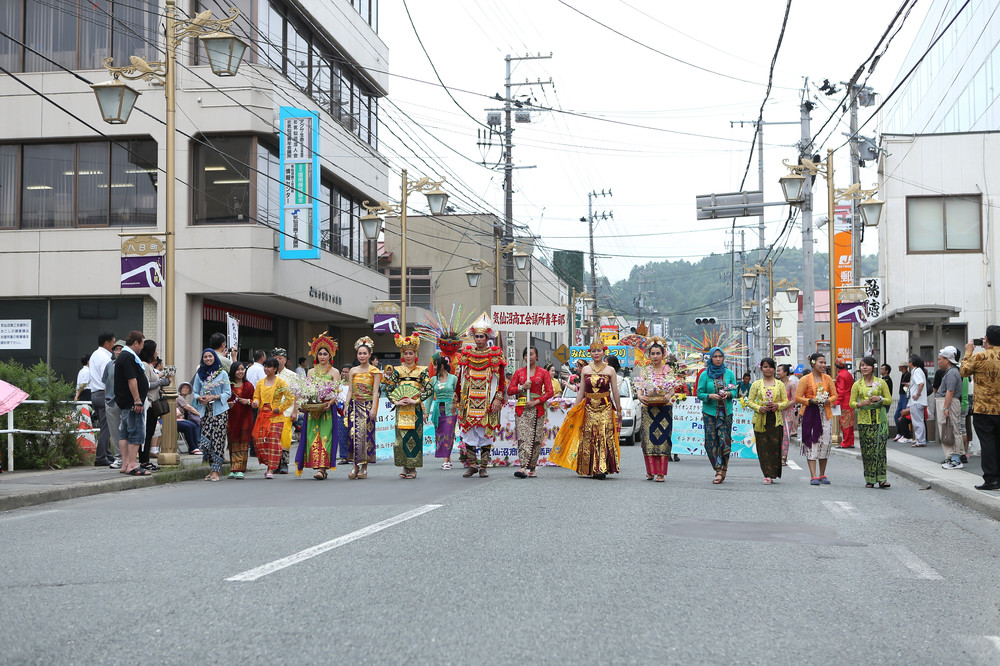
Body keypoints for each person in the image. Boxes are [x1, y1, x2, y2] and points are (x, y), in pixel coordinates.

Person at [551, 341, 621, 479]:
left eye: (599, 350)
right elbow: (581, 391)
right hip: (588, 406)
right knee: (589, 435)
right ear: (590, 353)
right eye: (594, 351)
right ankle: (588, 467)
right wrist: (575, 409)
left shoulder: (610, 370)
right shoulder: (586, 370)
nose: (596, 353)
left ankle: (602, 468)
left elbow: (615, 391)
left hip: (605, 406)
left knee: (604, 434)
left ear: (604, 352)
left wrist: (619, 409)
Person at [455, 314, 507, 478]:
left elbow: (501, 379)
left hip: (487, 400)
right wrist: (457, 398)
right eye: (476, 336)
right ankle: (472, 465)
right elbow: (460, 379)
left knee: (485, 433)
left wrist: (498, 398)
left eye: (481, 336)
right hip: (469, 401)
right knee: (468, 433)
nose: (478, 339)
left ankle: (483, 466)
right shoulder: (466, 354)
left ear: (487, 337)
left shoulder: (495, 355)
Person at [381, 334, 433, 480]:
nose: (408, 355)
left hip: (415, 409)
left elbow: (429, 389)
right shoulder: (397, 370)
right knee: (401, 438)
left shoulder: (422, 370)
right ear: (402, 354)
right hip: (401, 409)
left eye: (411, 353)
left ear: (415, 354)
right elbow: (388, 389)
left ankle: (413, 467)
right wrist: (396, 402)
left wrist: (415, 401)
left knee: (414, 437)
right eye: (405, 353)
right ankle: (404, 465)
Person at [295, 333, 341, 480]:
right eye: (320, 354)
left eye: (325, 354)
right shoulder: (311, 372)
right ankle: (318, 466)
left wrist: (331, 402)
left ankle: (322, 468)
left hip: (327, 410)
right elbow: (307, 390)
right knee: (312, 437)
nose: (322, 356)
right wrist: (305, 402)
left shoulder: (334, 372)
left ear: (330, 355)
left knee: (325, 438)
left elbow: (336, 391)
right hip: (313, 410)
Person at [961, 328, 1000, 490]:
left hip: (983, 410)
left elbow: (963, 371)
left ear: (987, 339)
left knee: (988, 443)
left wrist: (968, 351)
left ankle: (991, 479)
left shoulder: (979, 356)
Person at [507, 346, 554, 479]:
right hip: (522, 409)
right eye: (526, 354)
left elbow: (550, 392)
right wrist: (522, 387)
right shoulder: (518, 373)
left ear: (537, 357)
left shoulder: (544, 372)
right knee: (523, 437)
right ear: (524, 357)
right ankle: (523, 467)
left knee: (536, 439)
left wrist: (536, 402)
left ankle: (532, 467)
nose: (529, 357)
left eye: (532, 354)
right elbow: (510, 390)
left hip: (538, 408)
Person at [850, 355, 892, 489]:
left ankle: (882, 479)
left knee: (880, 449)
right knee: (868, 450)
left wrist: (879, 398)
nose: (864, 367)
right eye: (862, 365)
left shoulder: (881, 382)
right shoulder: (857, 384)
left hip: (880, 419)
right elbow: (851, 403)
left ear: (873, 367)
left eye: (867, 365)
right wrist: (860, 404)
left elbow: (889, 399)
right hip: (864, 420)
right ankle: (869, 479)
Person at [795, 352, 838, 485]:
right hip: (809, 413)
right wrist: (811, 401)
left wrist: (828, 400)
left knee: (825, 442)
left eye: (825, 363)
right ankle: (813, 475)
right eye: (821, 362)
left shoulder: (828, 379)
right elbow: (797, 397)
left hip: (825, 414)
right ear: (813, 363)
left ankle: (822, 474)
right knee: (812, 443)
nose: (824, 365)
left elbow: (835, 395)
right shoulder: (805, 379)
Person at [697, 347, 737, 484]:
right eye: (715, 356)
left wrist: (728, 394)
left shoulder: (729, 373)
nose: (718, 359)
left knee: (724, 441)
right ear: (711, 358)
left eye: (720, 356)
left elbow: (734, 390)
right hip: (710, 413)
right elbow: (699, 393)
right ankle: (717, 468)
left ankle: (722, 470)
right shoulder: (704, 375)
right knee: (711, 442)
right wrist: (710, 396)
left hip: (726, 413)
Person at [636, 338, 674, 482]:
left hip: (664, 409)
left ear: (663, 354)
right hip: (648, 408)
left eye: (658, 353)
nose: (656, 356)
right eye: (653, 353)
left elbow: (672, 389)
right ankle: (650, 471)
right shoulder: (644, 370)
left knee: (663, 440)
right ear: (649, 355)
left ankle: (661, 473)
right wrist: (640, 396)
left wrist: (668, 395)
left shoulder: (668, 370)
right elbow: (640, 388)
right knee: (648, 439)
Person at [113, 331, 150, 476]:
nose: (142, 347)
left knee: (125, 433)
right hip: (132, 402)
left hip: (124, 402)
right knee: (136, 432)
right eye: (141, 344)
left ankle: (125, 463)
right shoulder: (128, 357)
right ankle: (133, 465)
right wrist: (137, 400)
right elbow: (132, 379)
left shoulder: (123, 356)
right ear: (136, 343)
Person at [747, 357, 788, 484]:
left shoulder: (780, 384)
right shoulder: (756, 384)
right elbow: (749, 401)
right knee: (763, 447)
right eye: (765, 366)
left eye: (770, 367)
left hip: (776, 419)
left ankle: (774, 473)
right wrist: (760, 408)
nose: (768, 369)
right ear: (761, 369)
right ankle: (767, 474)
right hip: (760, 419)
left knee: (775, 446)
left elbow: (785, 401)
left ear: (774, 369)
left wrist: (778, 406)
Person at [192, 348, 231, 482]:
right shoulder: (199, 374)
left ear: (215, 357)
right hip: (205, 412)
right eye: (205, 357)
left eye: (210, 356)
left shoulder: (222, 373)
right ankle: (211, 469)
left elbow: (228, 392)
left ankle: (216, 471)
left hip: (219, 411)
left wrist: (214, 396)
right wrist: (199, 398)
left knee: (218, 441)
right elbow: (195, 392)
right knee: (206, 442)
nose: (208, 359)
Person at [251, 358, 293, 479]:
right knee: (258, 440)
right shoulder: (260, 383)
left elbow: (290, 397)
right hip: (263, 416)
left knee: (273, 441)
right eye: (265, 366)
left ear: (275, 369)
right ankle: (267, 464)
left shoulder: (280, 382)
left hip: (276, 417)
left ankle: (271, 468)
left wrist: (279, 408)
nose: (266, 369)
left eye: (269, 367)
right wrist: (255, 402)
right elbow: (256, 396)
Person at [344, 337, 380, 479]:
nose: (362, 356)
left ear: (370, 355)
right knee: (353, 436)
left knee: (366, 437)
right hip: (354, 406)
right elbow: (350, 391)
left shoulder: (375, 371)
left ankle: (364, 467)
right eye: (360, 353)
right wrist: (346, 405)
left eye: (365, 353)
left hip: (368, 406)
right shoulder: (353, 370)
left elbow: (376, 392)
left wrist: (374, 409)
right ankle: (355, 466)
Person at [139, 340, 171, 471]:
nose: (157, 352)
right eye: (156, 350)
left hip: (153, 405)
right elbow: (145, 385)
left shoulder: (149, 366)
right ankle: (144, 461)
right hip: (148, 404)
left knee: (150, 432)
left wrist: (163, 380)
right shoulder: (144, 365)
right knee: (146, 434)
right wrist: (160, 382)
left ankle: (145, 460)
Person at [89, 330, 117, 467]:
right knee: (107, 428)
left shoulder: (95, 354)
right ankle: (101, 457)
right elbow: (107, 379)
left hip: (95, 393)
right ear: (107, 343)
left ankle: (107, 454)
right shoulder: (105, 358)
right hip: (103, 393)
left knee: (105, 426)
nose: (114, 345)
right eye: (113, 342)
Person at [935, 346, 965, 470]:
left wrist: (945, 407)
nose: (938, 362)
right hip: (948, 402)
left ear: (947, 360)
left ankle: (956, 459)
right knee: (950, 430)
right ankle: (953, 457)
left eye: (940, 359)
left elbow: (950, 391)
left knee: (952, 430)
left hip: (949, 402)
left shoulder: (952, 372)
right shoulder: (951, 371)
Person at [427, 355, 459, 469]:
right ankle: (448, 458)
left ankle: (445, 460)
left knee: (449, 433)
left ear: (441, 366)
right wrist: (426, 411)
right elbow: (429, 396)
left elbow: (457, 393)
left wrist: (455, 403)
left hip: (451, 409)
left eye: (435, 365)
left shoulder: (453, 378)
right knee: (440, 434)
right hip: (438, 410)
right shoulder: (433, 380)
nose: (434, 367)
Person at [272, 347, 298, 473]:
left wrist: (295, 412)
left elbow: (297, 394)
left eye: (280, 358)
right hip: (272, 412)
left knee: (285, 437)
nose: (278, 360)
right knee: (273, 438)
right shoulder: (270, 375)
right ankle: (274, 463)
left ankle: (284, 463)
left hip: (287, 411)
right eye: (275, 358)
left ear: (285, 360)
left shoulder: (292, 375)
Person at [227, 362, 254, 479]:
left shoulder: (248, 386)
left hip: (245, 418)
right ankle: (233, 468)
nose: (240, 372)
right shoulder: (229, 386)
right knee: (232, 443)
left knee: (243, 443)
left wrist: (248, 401)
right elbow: (224, 399)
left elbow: (255, 401)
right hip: (232, 418)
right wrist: (228, 404)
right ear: (233, 372)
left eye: (242, 369)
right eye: (238, 370)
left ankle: (240, 469)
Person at [102, 340, 126, 469]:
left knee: (124, 429)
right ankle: (118, 457)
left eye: (121, 349)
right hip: (111, 402)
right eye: (116, 349)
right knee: (114, 431)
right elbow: (106, 383)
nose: (118, 351)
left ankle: (127, 457)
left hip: (125, 402)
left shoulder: (129, 364)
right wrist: (107, 399)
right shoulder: (109, 365)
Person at [776, 363, 797, 465]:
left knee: (785, 434)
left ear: (785, 372)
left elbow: (794, 399)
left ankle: (784, 456)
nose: (777, 372)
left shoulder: (791, 384)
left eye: (779, 370)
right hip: (776, 412)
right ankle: (777, 456)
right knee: (777, 434)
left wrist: (784, 405)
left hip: (788, 412)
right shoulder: (776, 384)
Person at [175, 382, 201, 455]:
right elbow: (189, 408)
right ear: (180, 389)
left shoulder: (184, 398)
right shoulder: (179, 397)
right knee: (188, 427)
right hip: (174, 420)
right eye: (183, 388)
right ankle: (192, 447)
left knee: (193, 425)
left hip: (180, 419)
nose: (185, 389)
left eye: (187, 388)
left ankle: (196, 447)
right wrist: (200, 414)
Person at [907, 354, 928, 447]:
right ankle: (919, 439)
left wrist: (917, 394)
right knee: (918, 420)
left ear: (911, 363)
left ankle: (921, 440)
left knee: (918, 421)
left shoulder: (917, 371)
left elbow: (921, 383)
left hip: (917, 400)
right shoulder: (917, 371)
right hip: (918, 401)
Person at [835, 358, 855, 448]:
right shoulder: (848, 374)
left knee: (844, 423)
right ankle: (850, 441)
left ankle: (846, 442)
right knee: (849, 423)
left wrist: (836, 402)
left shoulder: (840, 376)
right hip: (850, 400)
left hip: (844, 402)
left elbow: (841, 390)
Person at [337, 363, 352, 465]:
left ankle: (353, 456)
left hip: (351, 410)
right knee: (341, 434)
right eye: (343, 372)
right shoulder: (337, 384)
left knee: (353, 434)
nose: (344, 374)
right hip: (340, 411)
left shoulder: (353, 384)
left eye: (347, 372)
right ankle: (344, 456)